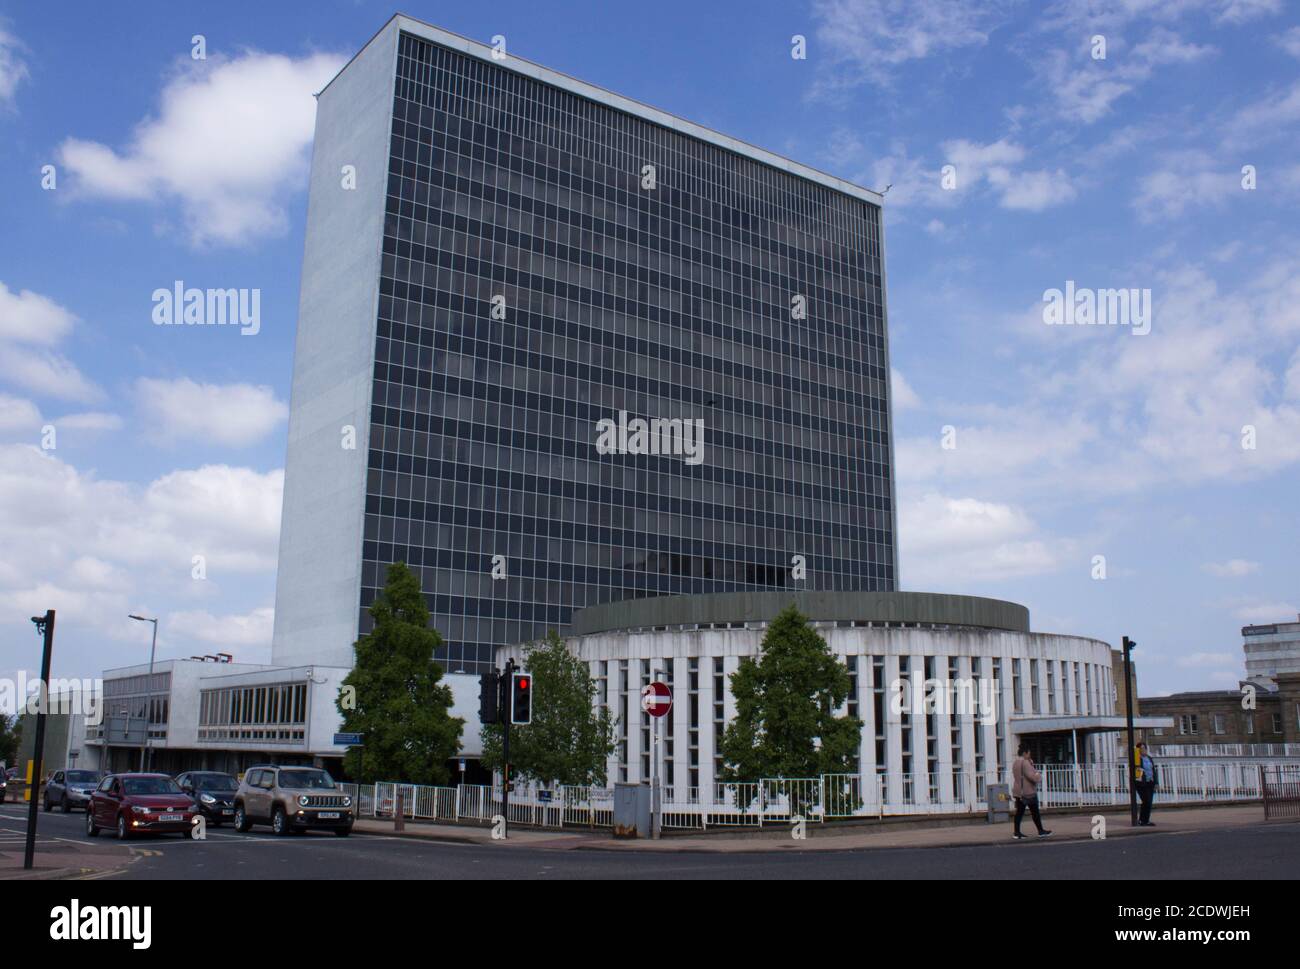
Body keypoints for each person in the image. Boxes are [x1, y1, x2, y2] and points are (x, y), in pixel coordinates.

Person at [1011, 744, 1052, 839]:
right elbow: (1033, 777)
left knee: (1019, 813)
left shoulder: (1015, 763)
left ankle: (1017, 832)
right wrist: (1038, 774)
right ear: (1025, 753)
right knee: (1035, 813)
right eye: (1029, 753)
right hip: (1028, 792)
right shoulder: (1025, 763)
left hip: (1018, 791)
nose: (1029, 755)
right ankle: (1041, 831)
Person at [1134, 740, 1159, 826]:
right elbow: (1135, 770)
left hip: (1150, 782)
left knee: (1149, 802)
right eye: (1141, 748)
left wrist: (1156, 782)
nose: (1143, 750)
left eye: (1144, 748)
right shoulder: (1137, 759)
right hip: (1142, 783)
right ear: (1138, 750)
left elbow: (1153, 770)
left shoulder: (1149, 758)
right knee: (1146, 801)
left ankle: (1146, 820)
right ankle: (1141, 820)